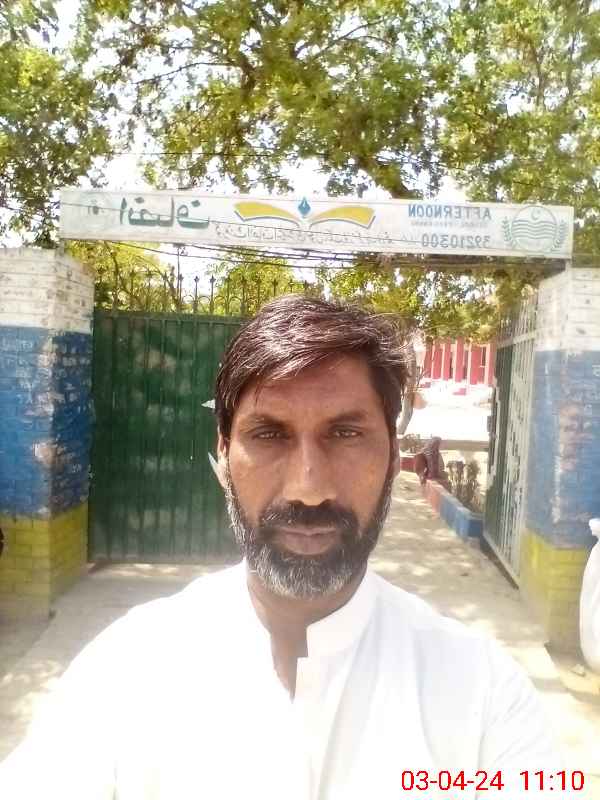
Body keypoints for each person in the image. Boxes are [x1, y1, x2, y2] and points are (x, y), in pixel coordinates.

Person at [0, 296, 565, 799]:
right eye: (268, 435)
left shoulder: (482, 694)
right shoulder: (124, 672)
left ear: (395, 457)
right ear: (224, 455)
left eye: (346, 434)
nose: (308, 489)